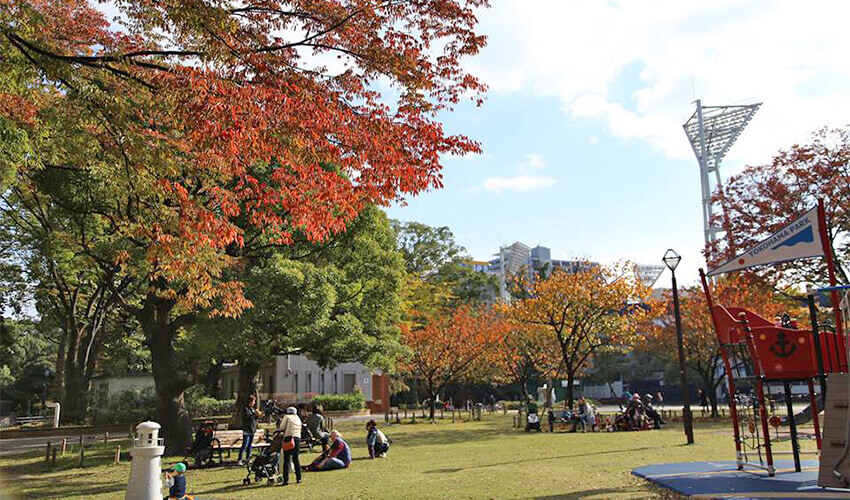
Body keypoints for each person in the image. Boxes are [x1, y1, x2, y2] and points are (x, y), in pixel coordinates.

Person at [278, 406, 302, 486]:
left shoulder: (287, 417)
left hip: (289, 438)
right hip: (297, 438)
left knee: (287, 459)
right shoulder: (298, 418)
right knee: (296, 458)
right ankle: (299, 478)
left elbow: (282, 427)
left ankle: (286, 480)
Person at [237, 395, 261, 465]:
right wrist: (254, 414)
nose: (254, 403)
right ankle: (240, 459)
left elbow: (255, 419)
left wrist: (258, 415)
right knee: (245, 445)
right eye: (253, 401)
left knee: (250, 445)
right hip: (247, 429)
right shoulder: (245, 409)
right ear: (250, 402)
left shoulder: (252, 409)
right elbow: (247, 418)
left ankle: (248, 458)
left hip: (252, 429)